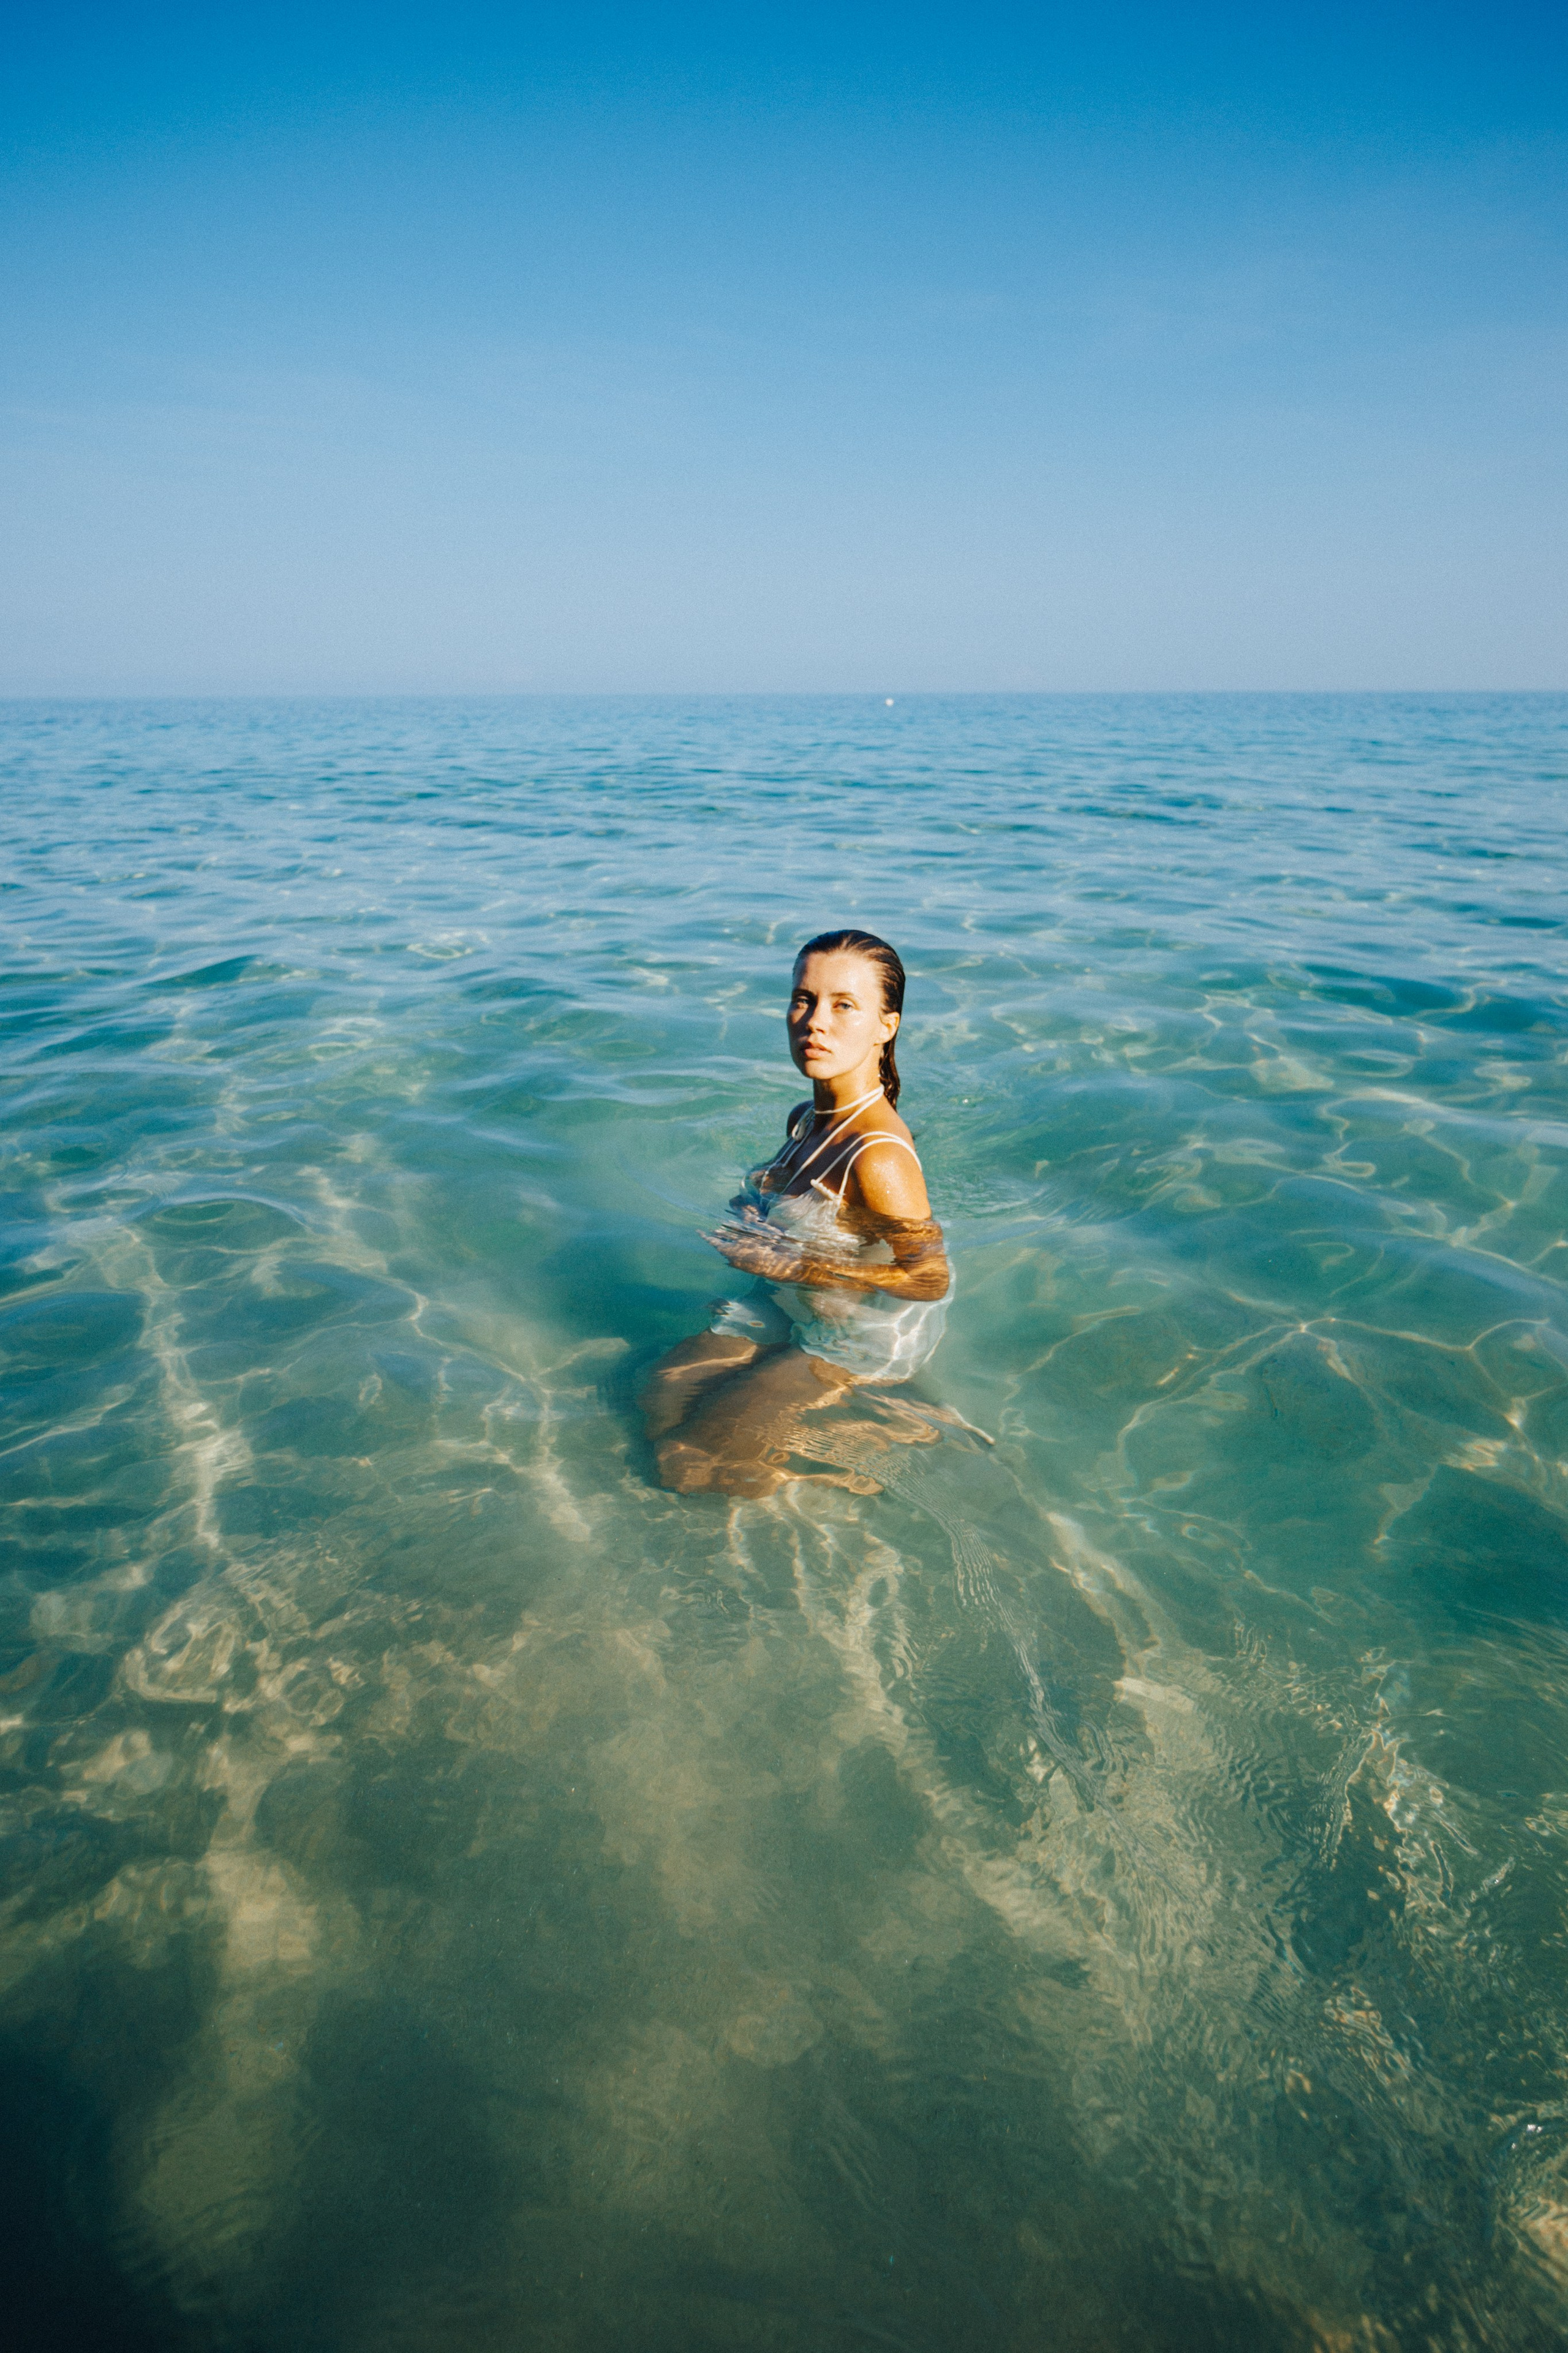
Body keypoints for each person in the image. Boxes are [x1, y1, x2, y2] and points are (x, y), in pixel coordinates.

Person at [642, 928, 951, 1497]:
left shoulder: (878, 1155)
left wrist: (805, 1269)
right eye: (804, 999)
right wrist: (758, 1203)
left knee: (697, 1463)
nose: (815, 1021)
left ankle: (879, 1427)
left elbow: (930, 1279)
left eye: (844, 1005)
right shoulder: (805, 1120)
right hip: (788, 1305)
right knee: (659, 1397)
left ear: (887, 1025)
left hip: (853, 1332)